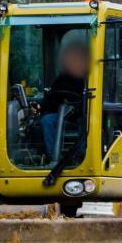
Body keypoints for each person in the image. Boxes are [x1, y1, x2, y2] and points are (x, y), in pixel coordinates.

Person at [38, 30, 90, 161]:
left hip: (80, 114)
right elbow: (50, 98)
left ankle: (81, 155)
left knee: (88, 121)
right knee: (47, 120)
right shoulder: (60, 80)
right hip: (62, 115)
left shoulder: (88, 80)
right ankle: (52, 156)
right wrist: (40, 107)